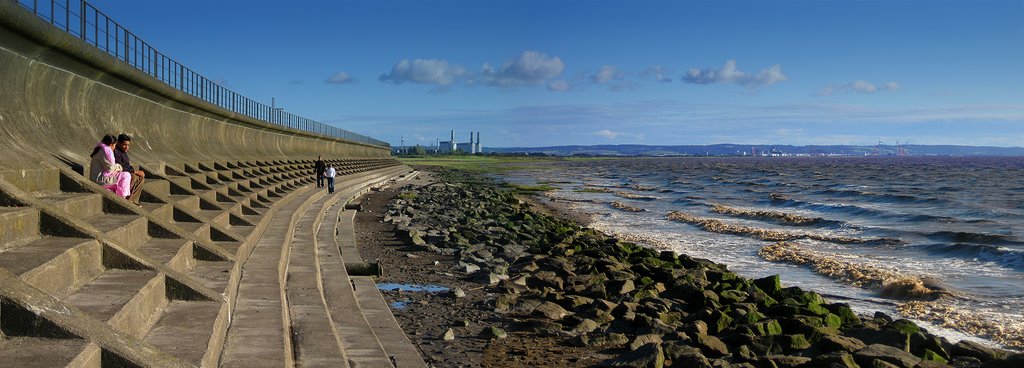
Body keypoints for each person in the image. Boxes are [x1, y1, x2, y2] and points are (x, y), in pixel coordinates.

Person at [114, 134, 145, 205]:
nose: (126, 147)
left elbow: (127, 165)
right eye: (124, 145)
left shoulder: (123, 152)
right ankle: (127, 200)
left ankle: (134, 200)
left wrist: (136, 172)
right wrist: (135, 171)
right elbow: (119, 167)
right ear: (118, 143)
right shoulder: (116, 152)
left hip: (126, 171)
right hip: (118, 173)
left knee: (141, 178)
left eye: (128, 145)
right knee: (133, 177)